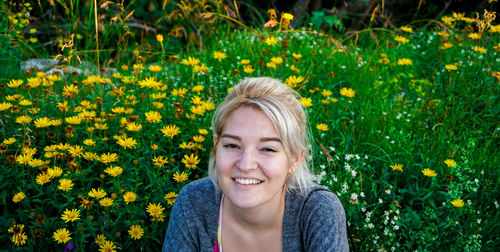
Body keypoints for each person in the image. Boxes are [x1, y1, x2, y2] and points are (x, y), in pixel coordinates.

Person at [163, 77, 349, 251]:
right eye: (232, 145)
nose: (245, 165)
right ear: (216, 147)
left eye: (268, 149)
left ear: (295, 159)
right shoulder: (194, 203)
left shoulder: (318, 210)